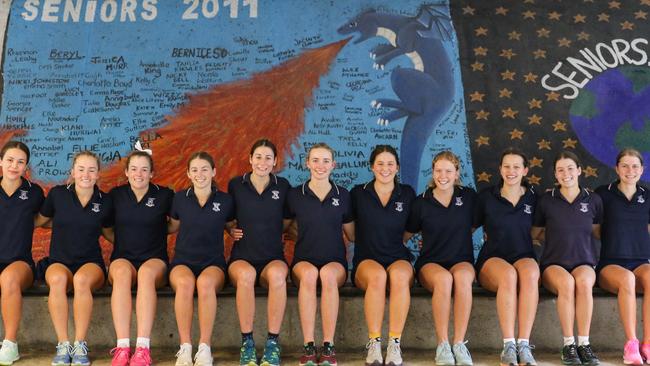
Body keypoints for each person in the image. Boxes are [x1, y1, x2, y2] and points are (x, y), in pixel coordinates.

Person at [36, 151, 113, 366]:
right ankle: (63, 344)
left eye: (91, 170)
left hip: (90, 263)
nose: (85, 174)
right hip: (59, 260)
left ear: (98, 174)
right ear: (72, 172)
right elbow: (40, 221)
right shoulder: (57, 194)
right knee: (58, 280)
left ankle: (80, 344)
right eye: (81, 169)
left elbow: (110, 233)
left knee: (81, 280)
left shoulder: (105, 201)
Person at [286, 143, 354, 366]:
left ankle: (328, 346)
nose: (320, 165)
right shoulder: (296, 194)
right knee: (309, 275)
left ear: (333, 165)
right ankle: (308, 346)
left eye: (326, 161)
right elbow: (281, 227)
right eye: (315, 160)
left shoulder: (343, 195)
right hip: (303, 262)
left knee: (326, 274)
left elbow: (352, 235)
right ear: (307, 164)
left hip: (335, 263)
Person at [532, 151, 602, 366]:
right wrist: (556, 235)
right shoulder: (546, 200)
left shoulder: (593, 200)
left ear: (579, 171)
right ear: (555, 174)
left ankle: (584, 344)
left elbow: (596, 232)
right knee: (567, 283)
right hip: (554, 263)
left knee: (582, 282)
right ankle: (568, 344)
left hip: (584, 262)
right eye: (560, 170)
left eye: (570, 168)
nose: (566, 173)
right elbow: (535, 233)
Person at [405, 151, 475, 366]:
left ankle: (459, 344)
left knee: (462, 278)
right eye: (438, 171)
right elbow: (405, 235)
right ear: (433, 172)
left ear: (456, 173)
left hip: (461, 259)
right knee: (444, 280)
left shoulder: (469, 197)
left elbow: (474, 225)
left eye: (448, 171)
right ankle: (443, 345)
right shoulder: (421, 202)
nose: (442, 176)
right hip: (431, 262)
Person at [106, 150, 174, 366]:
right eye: (134, 169)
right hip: (123, 257)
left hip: (154, 259)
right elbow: (106, 228)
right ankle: (123, 347)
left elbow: (175, 224)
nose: (139, 174)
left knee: (145, 273)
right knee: (123, 273)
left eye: (144, 169)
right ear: (126, 172)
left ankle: (143, 348)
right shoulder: (115, 195)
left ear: (152, 173)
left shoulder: (165, 195)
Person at [227, 139, 291, 366]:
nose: (262, 162)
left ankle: (273, 343)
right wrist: (230, 230)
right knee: (246, 276)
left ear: (275, 161)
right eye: (258, 157)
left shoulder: (282, 186)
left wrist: (275, 232)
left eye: (268, 158)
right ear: (250, 159)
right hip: (242, 257)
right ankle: (247, 343)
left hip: (272, 257)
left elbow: (287, 220)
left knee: (277, 276)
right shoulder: (236, 185)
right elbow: (226, 216)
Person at [351, 145, 415, 366]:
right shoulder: (358, 193)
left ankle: (395, 344)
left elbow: (409, 230)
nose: (385, 168)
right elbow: (350, 234)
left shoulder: (406, 193)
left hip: (397, 256)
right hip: (367, 259)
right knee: (378, 276)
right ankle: (374, 343)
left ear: (397, 167)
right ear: (371, 167)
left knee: (398, 277)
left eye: (390, 164)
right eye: (380, 163)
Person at [167, 151, 234, 366]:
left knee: (205, 284)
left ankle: (204, 348)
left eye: (205, 169)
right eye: (194, 170)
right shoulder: (179, 198)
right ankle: (185, 347)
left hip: (213, 263)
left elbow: (232, 225)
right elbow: (173, 227)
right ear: (188, 173)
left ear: (214, 172)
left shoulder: (225, 200)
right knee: (185, 283)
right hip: (183, 262)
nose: (200, 174)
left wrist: (234, 232)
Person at [474, 148, 539, 366]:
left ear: (525, 170)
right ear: (500, 169)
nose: (511, 171)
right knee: (509, 275)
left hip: (523, 255)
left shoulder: (533, 197)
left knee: (530, 273)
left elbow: (539, 231)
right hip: (492, 259)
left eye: (516, 167)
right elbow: (464, 227)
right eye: (507, 166)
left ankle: (523, 344)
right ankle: (509, 345)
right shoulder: (486, 197)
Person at [595, 148, 650, 365]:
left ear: (642, 170)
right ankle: (631, 344)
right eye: (625, 166)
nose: (630, 170)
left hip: (641, 260)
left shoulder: (647, 196)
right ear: (617, 168)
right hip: (611, 263)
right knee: (626, 279)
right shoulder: (603, 193)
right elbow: (594, 229)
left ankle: (647, 344)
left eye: (635, 166)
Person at [0, 141, 44, 365]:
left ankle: (9, 344)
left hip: (20, 263)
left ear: (26, 166)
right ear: (0, 161)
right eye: (9, 160)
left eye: (20, 162)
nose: (14, 166)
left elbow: (45, 219)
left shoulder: (34, 192)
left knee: (8, 278)